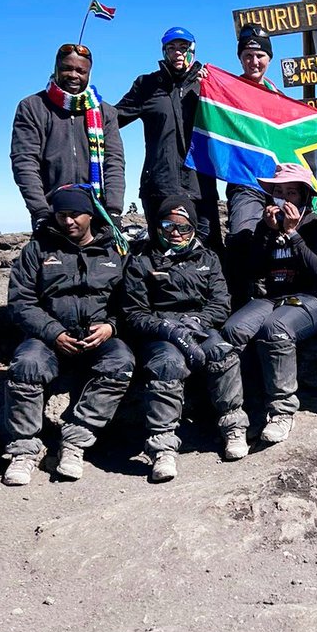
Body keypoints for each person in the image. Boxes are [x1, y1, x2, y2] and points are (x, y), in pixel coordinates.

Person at [1, 186, 134, 485]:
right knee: (27, 365)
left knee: (121, 362)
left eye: (75, 214)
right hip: (48, 337)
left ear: (90, 214)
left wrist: (112, 326)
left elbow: (132, 302)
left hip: (100, 336)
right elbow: (21, 301)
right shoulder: (37, 249)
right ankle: (24, 450)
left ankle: (75, 442)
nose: (68, 221)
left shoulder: (116, 249)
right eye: (62, 215)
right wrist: (54, 332)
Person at [122, 195, 248, 481]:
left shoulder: (207, 258)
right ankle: (163, 447)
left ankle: (233, 426)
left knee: (223, 353)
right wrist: (169, 329)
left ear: (193, 228)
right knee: (167, 364)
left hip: (199, 327)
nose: (175, 233)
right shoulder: (141, 259)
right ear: (157, 226)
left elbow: (220, 302)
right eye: (167, 225)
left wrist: (197, 323)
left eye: (183, 227)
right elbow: (133, 312)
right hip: (160, 332)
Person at [222, 163, 317, 445]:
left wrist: (293, 234)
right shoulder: (265, 225)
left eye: (291, 192)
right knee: (233, 331)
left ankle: (282, 411)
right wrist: (267, 234)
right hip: (273, 297)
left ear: (304, 196)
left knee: (275, 328)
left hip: (310, 298)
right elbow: (253, 270)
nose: (284, 199)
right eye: (278, 192)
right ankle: (246, 409)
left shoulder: (316, 224)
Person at [115, 27, 222, 249]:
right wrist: (86, 107)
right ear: (164, 51)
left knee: (209, 253)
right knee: (162, 253)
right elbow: (113, 118)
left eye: (183, 48)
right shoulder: (146, 85)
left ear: (192, 51)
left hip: (200, 186)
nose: (178, 53)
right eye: (172, 48)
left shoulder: (208, 84)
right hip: (160, 185)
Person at [11, 44, 125, 232]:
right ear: (56, 68)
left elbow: (114, 163)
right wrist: (40, 211)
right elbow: (24, 162)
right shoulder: (33, 107)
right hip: (52, 212)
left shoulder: (106, 112)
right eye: (67, 68)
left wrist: (113, 210)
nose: (74, 75)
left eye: (81, 71)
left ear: (89, 74)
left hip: (97, 212)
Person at [224, 24, 282, 304]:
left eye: (260, 55)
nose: (254, 61)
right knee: (242, 237)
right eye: (247, 55)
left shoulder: (278, 97)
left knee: (284, 236)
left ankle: (274, 296)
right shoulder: (226, 93)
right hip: (244, 181)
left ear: (269, 58)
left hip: (277, 182)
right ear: (240, 58)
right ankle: (242, 301)